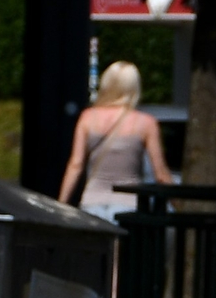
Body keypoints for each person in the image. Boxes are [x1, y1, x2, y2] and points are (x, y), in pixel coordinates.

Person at [58, 61, 174, 217]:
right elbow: (160, 174)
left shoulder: (87, 118)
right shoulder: (146, 123)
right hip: (129, 206)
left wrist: (61, 204)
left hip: (92, 202)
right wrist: (179, 204)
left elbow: (75, 165)